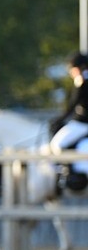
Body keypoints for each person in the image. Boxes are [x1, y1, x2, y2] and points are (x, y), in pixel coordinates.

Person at [49, 52, 88, 192]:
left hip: (83, 123)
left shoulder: (82, 80)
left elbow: (72, 105)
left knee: (57, 145)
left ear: (80, 67)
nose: (71, 72)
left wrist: (59, 119)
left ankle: (69, 174)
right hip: (81, 121)